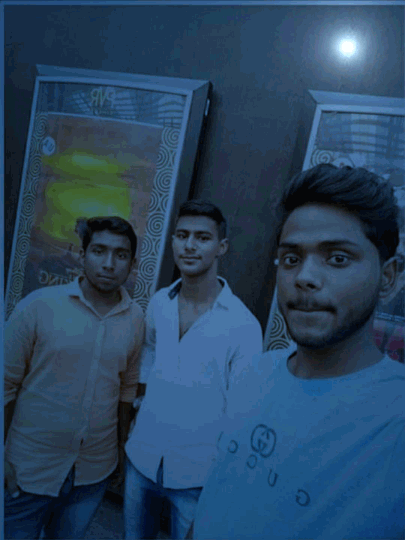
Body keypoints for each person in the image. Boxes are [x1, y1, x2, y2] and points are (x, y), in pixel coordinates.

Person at [193, 164, 405, 540]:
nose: (304, 277)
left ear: (387, 278)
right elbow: (219, 492)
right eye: (291, 259)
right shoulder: (255, 372)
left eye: (337, 258)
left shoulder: (394, 418)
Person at [124, 200, 263, 539]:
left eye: (202, 238)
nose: (189, 245)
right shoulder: (160, 302)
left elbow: (242, 413)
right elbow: (148, 358)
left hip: (197, 477)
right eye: (182, 235)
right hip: (141, 459)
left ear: (221, 247)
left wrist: (223, 482)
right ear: (172, 240)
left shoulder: (243, 324)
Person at [4, 216, 145, 540]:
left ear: (132, 263)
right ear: (82, 255)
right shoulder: (38, 307)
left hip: (92, 474)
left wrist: (120, 450)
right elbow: (5, 385)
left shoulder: (136, 318)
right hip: (26, 471)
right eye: (99, 251)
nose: (109, 264)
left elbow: (126, 389)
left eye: (121, 255)